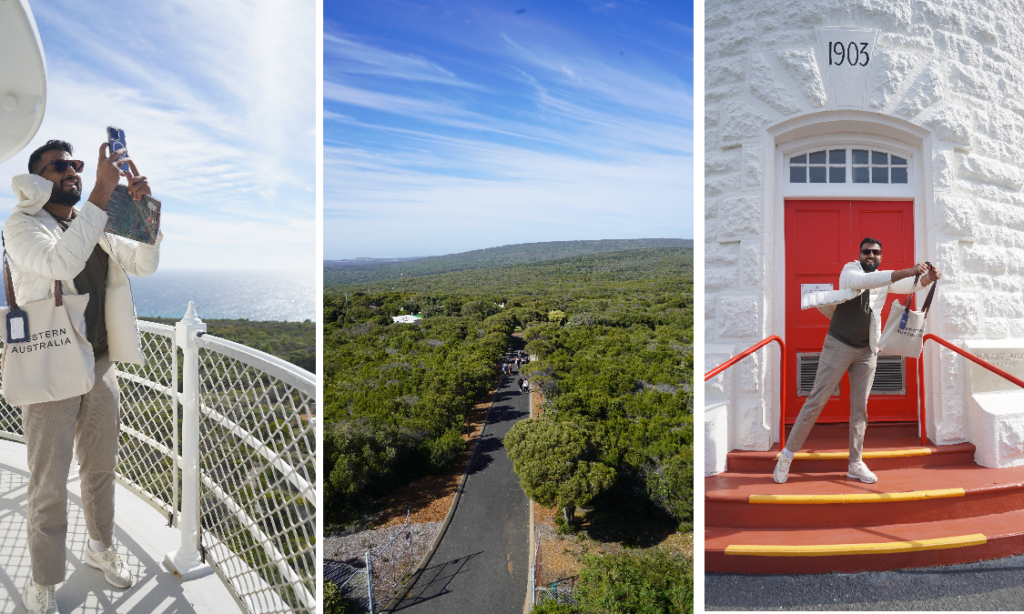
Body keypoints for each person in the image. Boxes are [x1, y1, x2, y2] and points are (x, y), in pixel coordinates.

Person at [7, 139, 162, 613]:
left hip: (99, 364)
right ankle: (44, 578)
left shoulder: (92, 223)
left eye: (75, 165)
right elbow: (59, 264)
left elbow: (145, 264)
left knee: (99, 470)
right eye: (59, 166)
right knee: (48, 483)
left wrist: (145, 213)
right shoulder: (21, 226)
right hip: (51, 366)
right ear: (35, 179)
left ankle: (99, 548)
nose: (71, 171)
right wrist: (100, 191)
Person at [774, 237, 941, 485]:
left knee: (859, 408)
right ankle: (786, 456)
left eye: (875, 252)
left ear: (881, 256)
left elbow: (909, 286)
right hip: (838, 344)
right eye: (867, 252)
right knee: (816, 400)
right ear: (860, 254)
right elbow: (864, 282)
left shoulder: (884, 280)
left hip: (867, 350)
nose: (871, 255)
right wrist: (908, 270)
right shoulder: (850, 271)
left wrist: (929, 277)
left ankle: (855, 463)